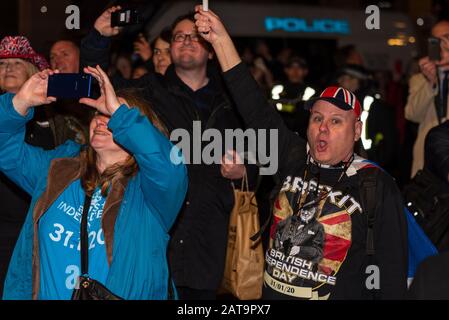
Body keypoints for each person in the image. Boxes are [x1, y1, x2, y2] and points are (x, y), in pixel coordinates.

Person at [194, 6, 408, 300]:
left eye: (336, 122)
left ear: (356, 131)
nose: (323, 128)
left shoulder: (376, 187)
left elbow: (391, 279)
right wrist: (219, 41)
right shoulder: (292, 156)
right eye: (317, 118)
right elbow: (253, 104)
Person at [81, 6, 252, 300]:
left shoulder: (232, 102)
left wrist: (245, 170)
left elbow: (262, 157)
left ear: (212, 51)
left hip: (209, 243)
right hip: (155, 238)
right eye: (178, 37)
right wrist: (98, 37)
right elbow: (97, 87)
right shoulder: (149, 90)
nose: (185, 41)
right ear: (170, 48)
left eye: (194, 36)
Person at [0, 65, 187, 300]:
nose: (102, 121)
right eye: (99, 113)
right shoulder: (58, 169)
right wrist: (19, 103)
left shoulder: (149, 191)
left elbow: (169, 166)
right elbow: (5, 150)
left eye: (113, 116)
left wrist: (119, 115)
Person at [0, 35, 53, 297]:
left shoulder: (54, 121)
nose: (7, 68)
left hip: (31, 231)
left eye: (17, 62)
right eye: (2, 63)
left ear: (33, 72)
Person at [405, 20, 449, 178]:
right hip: (426, 163)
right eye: (436, 40)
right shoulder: (419, 79)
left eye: (446, 38)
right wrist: (430, 83)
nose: (441, 44)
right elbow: (412, 114)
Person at [270, 56, 316, 139]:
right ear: (286, 70)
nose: (295, 71)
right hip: (278, 133)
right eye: (292, 67)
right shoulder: (277, 88)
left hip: (301, 135)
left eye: (299, 68)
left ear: (305, 71)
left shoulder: (310, 90)